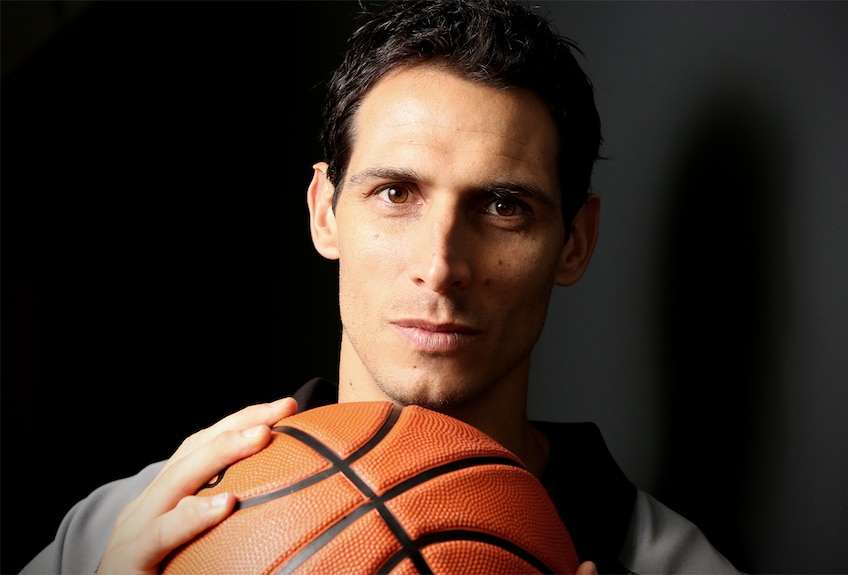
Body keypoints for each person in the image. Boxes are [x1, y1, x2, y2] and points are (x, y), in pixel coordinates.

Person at [22, 0, 740, 573]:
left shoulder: (668, 565)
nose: (441, 263)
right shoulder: (129, 530)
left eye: (502, 206)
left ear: (574, 242)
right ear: (325, 212)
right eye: (396, 193)